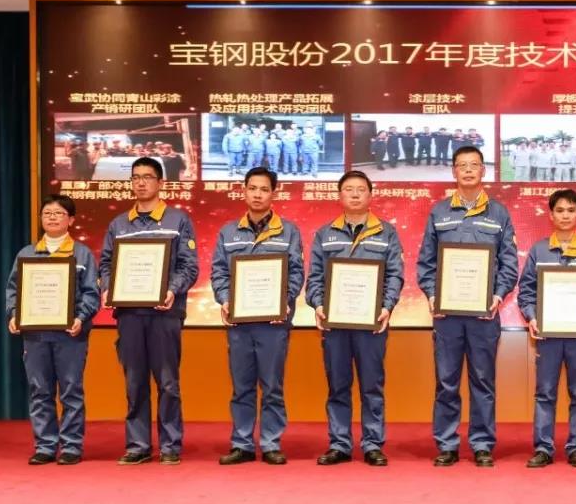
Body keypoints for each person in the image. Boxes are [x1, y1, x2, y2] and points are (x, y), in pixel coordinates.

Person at [417, 146, 518, 467]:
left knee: (483, 381)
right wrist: (432, 295)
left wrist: (498, 295)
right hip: (447, 314)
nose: (469, 170)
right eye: (462, 165)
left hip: (484, 314)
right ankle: (447, 444)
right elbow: (426, 262)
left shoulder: (499, 213)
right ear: (454, 172)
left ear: (483, 171)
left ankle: (482, 443)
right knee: (446, 382)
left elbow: (509, 263)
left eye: (474, 165)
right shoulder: (439, 212)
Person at [99, 157, 199, 465]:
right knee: (134, 381)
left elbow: (189, 266)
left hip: (165, 313)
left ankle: (170, 445)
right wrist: (107, 287)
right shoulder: (118, 224)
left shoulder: (178, 220)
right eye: (135, 177)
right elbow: (106, 264)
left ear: (160, 182)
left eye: (147, 177)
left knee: (168, 382)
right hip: (129, 314)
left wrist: (171, 290)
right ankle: (138, 445)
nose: (141, 182)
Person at [307, 171, 405, 466]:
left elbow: (395, 275)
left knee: (372, 386)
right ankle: (339, 444)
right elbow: (315, 277)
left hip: (371, 323)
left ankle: (373, 444)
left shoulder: (386, 233)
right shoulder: (325, 234)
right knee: (337, 385)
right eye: (348, 189)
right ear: (339, 196)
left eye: (361, 189)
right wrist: (318, 305)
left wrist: (386, 307)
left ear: (370, 195)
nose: (354, 194)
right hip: (335, 324)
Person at [211, 167, 304, 466]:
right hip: (240, 323)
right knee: (242, 386)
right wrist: (225, 300)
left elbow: (296, 272)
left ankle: (271, 443)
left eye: (264, 189)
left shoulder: (289, 231)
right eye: (252, 188)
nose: (257, 194)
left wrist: (285, 301)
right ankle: (242, 444)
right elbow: (219, 272)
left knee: (272, 386)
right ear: (244, 191)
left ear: (273, 193)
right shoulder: (228, 232)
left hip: (273, 323)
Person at [6, 194, 100, 465]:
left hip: (71, 335)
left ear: (70, 220)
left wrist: (81, 317)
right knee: (40, 391)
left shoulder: (82, 254)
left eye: (59, 213)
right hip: (35, 335)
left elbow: (91, 293)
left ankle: (71, 446)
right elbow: (13, 290)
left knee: (71, 391)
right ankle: (45, 446)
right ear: (40, 219)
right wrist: (14, 314)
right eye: (47, 213)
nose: (52, 218)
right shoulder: (26, 254)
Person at [518, 189, 576, 468]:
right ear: (551, 215)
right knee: (545, 392)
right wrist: (532, 317)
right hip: (548, 335)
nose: (565, 215)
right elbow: (526, 291)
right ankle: (543, 448)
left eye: (571, 210)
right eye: (560, 210)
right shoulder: (539, 250)